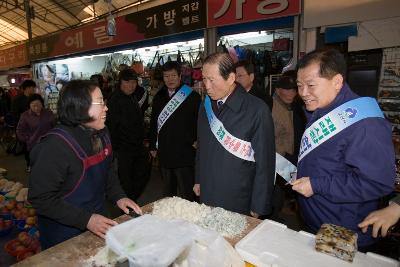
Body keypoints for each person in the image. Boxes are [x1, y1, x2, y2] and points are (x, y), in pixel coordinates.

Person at [292, 49, 395, 249]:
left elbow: (376, 183)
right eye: (299, 85)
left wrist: (317, 185)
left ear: (337, 82)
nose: (303, 93)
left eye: (311, 85)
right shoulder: (321, 108)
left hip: (342, 230)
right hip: (316, 219)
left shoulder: (366, 124)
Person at [28, 80, 142, 249]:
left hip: (99, 219)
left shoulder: (102, 132)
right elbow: (40, 198)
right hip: (64, 233)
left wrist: (119, 196)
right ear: (79, 106)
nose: (106, 108)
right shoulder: (54, 147)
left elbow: (108, 170)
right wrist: (86, 219)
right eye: (100, 102)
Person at [194, 52, 275, 217]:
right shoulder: (205, 106)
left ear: (231, 78)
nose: (206, 86)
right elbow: (201, 147)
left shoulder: (257, 110)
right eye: (204, 79)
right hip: (208, 190)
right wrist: (198, 178)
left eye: (212, 80)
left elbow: (265, 162)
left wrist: (259, 204)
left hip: (238, 197)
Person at [149, 61, 201, 201]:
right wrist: (153, 145)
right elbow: (154, 122)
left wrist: (197, 140)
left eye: (173, 75)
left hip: (185, 152)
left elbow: (200, 122)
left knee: (188, 193)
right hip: (165, 152)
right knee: (168, 194)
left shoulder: (192, 96)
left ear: (180, 76)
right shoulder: (159, 97)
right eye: (166, 76)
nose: (170, 79)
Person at [106, 69, 149, 201]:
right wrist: (116, 150)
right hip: (123, 149)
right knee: (126, 182)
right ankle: (127, 209)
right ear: (120, 82)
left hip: (137, 146)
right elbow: (112, 126)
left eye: (134, 82)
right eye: (127, 82)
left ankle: (131, 202)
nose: (131, 85)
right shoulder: (114, 99)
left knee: (143, 174)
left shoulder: (132, 96)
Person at [16, 94, 55, 172]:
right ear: (29, 105)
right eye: (33, 105)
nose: (36, 108)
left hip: (48, 144)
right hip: (34, 145)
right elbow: (19, 130)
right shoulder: (25, 115)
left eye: (38, 105)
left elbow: (55, 126)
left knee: (48, 165)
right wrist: (27, 139)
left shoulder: (48, 113)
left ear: (42, 104)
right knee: (36, 166)